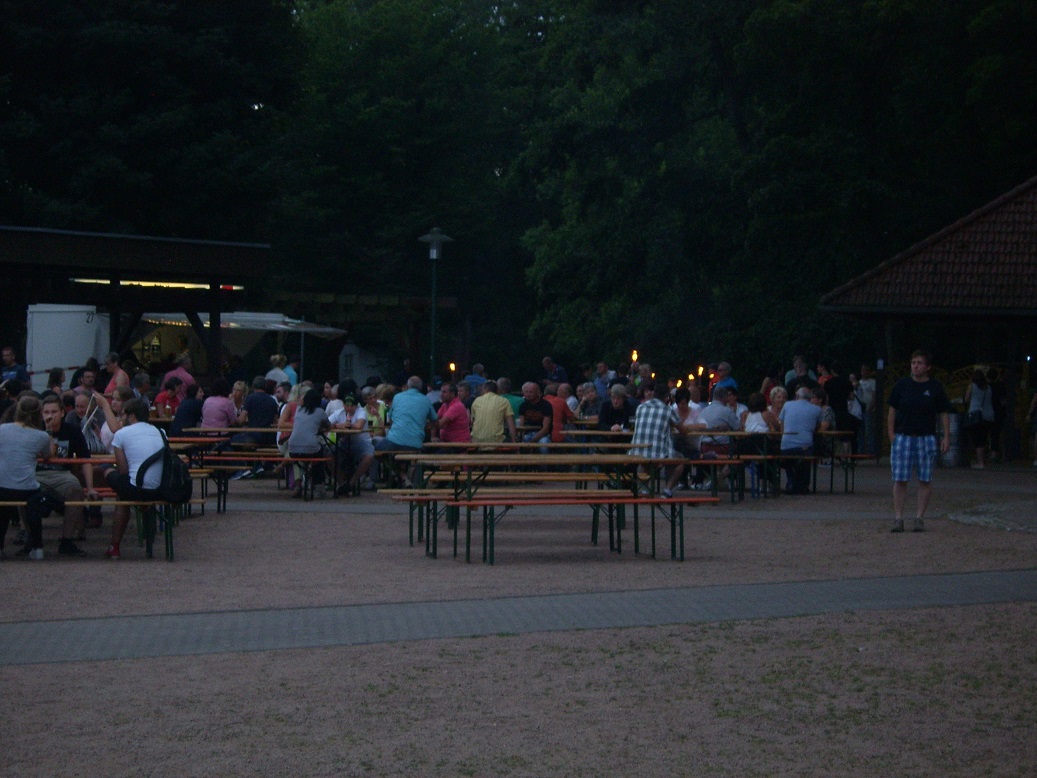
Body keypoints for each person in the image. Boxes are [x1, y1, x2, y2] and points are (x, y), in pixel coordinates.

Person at [887, 349, 952, 533]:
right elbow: (892, 411)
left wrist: (946, 436)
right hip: (903, 437)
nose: (915, 366)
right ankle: (898, 517)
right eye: (913, 362)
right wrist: (892, 435)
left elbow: (943, 413)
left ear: (927, 367)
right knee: (900, 479)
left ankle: (919, 517)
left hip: (926, 438)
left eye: (919, 363)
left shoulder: (935, 387)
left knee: (925, 479)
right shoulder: (902, 385)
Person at [102, 399, 166, 559]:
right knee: (127, 490)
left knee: (109, 474)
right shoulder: (161, 432)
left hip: (136, 488)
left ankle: (114, 546)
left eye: (123, 414)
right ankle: (146, 537)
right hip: (159, 489)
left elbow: (123, 470)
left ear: (131, 416)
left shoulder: (121, 434)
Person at [37, 394, 96, 555]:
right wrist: (48, 433)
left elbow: (85, 460)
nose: (50, 416)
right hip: (37, 474)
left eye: (54, 412)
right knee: (22, 488)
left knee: (76, 490)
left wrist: (90, 487)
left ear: (62, 413)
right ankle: (31, 538)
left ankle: (66, 541)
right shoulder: (36, 430)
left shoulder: (72, 431)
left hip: (62, 474)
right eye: (46, 412)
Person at [0, 396, 54, 559]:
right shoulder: (41, 436)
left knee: (3, 509)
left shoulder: (2, 429)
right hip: (27, 488)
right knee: (35, 505)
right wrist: (49, 430)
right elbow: (48, 455)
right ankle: (37, 547)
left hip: (3, 486)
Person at [628, 380, 684, 497]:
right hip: (659, 452)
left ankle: (644, 489)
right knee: (681, 461)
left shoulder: (641, 407)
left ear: (653, 394)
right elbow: (682, 429)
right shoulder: (667, 410)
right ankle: (667, 490)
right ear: (666, 397)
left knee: (647, 463)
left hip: (636, 450)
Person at [287, 388, 330, 498]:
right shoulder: (320, 412)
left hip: (292, 449)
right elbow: (328, 426)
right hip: (311, 448)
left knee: (308, 459)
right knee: (321, 456)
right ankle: (318, 487)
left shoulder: (299, 410)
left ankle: (304, 480)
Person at [779, 387, 823, 494]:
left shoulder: (787, 405)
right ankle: (803, 485)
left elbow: (782, 426)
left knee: (789, 461)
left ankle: (791, 483)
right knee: (805, 460)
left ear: (797, 396)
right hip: (805, 446)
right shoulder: (817, 409)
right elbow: (817, 428)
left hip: (786, 445)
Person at [963, 369, 995, 469]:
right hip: (989, 416)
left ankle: (980, 462)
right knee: (983, 438)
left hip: (975, 415)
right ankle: (982, 460)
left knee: (977, 440)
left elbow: (966, 400)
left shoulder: (971, 386)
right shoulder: (988, 388)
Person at [518, 381, 553, 453]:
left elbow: (545, 429)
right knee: (522, 443)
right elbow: (521, 425)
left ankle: (545, 464)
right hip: (528, 433)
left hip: (543, 434)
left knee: (544, 445)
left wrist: (532, 440)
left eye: (531, 392)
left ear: (538, 392)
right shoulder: (523, 406)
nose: (528, 394)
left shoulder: (546, 405)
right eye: (526, 392)